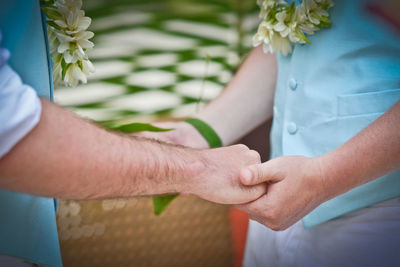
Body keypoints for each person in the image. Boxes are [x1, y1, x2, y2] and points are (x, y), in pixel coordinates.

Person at [0, 1, 266, 266]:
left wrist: (197, 137)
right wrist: (197, 167)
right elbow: (12, 125)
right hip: (55, 187)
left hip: (201, 174)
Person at [142, 0, 400, 265]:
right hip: (278, 206)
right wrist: (194, 134)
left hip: (381, 215)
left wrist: (322, 178)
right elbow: (288, 42)